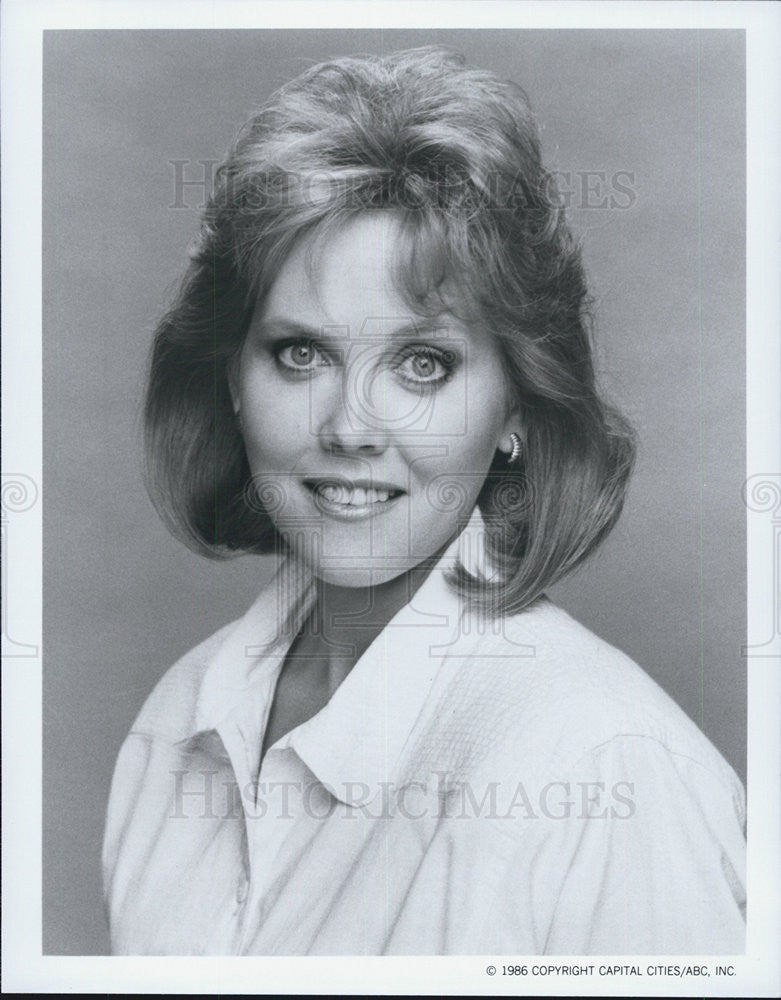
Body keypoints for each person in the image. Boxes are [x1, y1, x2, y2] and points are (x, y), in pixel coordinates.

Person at [102, 46, 746, 955]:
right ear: (232, 380)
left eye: (422, 364)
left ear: (517, 403)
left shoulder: (610, 772)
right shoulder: (180, 720)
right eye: (301, 353)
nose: (351, 427)